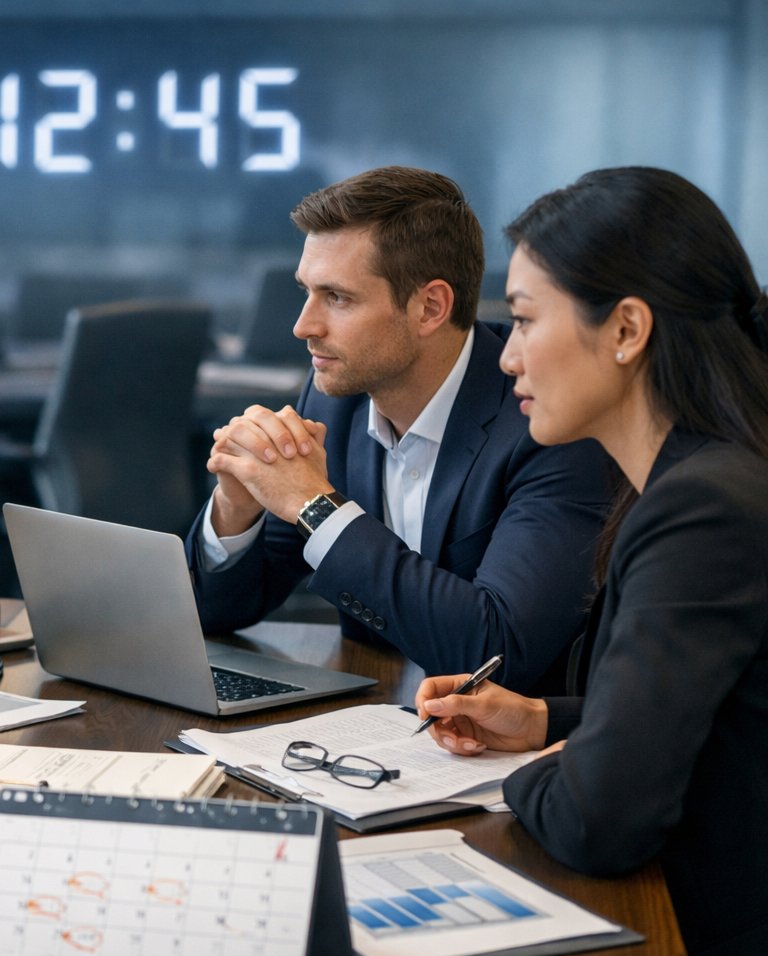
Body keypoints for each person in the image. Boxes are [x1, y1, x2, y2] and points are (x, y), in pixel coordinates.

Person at [415, 166, 768, 956]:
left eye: (527, 320)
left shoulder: (702, 506)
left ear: (626, 330)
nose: (505, 355)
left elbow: (601, 820)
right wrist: (548, 723)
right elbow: (714, 716)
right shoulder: (687, 480)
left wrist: (545, 773)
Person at [187, 166, 613, 694]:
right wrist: (236, 505)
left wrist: (316, 506)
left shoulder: (546, 419)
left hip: (512, 750)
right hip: (374, 719)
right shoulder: (333, 399)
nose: (303, 325)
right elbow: (216, 612)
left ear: (430, 307)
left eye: (337, 298)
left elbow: (498, 652)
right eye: (306, 292)